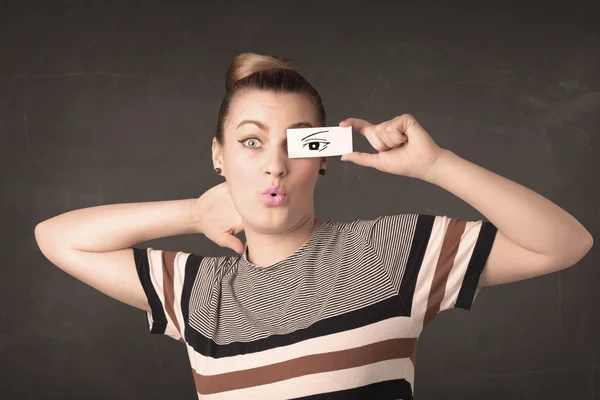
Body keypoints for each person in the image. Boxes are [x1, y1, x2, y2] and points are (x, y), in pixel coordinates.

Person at [34, 52, 593, 399]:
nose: (274, 165)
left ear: (322, 158)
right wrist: (191, 212)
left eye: (294, 144)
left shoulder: (385, 254)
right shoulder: (197, 293)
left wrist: (435, 164)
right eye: (251, 142)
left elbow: (564, 244)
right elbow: (56, 238)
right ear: (218, 157)